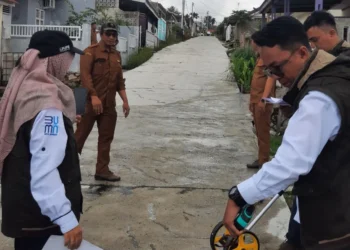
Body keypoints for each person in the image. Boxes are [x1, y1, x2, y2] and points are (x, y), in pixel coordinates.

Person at [223, 16, 350, 250]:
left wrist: (239, 196)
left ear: (303, 53)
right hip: (319, 202)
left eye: (277, 68)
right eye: (269, 70)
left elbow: (290, 163)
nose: (276, 77)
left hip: (333, 225)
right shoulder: (336, 75)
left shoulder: (320, 98)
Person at [0, 30, 85, 250]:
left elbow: (32, 133)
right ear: (55, 60)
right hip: (41, 220)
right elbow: (44, 170)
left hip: (23, 210)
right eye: (67, 60)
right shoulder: (47, 105)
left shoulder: (25, 87)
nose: (69, 67)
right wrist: (66, 218)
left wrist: (61, 125)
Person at [282, 11, 350, 249]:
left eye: (315, 41)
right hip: (316, 160)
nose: (311, 47)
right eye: (308, 42)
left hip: (336, 159)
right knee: (303, 201)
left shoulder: (341, 65)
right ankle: (294, 238)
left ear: (333, 33)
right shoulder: (317, 68)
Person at [75, 23, 130, 182]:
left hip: (108, 105)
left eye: (114, 34)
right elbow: (85, 77)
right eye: (108, 34)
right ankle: (64, 168)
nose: (111, 37)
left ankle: (102, 170)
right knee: (79, 137)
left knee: (106, 137)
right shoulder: (89, 52)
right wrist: (93, 96)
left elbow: (120, 82)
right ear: (101, 34)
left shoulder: (116, 56)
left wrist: (125, 101)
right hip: (88, 102)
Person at [247, 40, 276, 169]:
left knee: (263, 131)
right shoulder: (259, 57)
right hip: (256, 100)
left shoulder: (266, 58)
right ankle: (261, 158)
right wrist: (251, 101)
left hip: (262, 102)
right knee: (259, 131)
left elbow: (271, 78)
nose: (250, 43)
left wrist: (264, 100)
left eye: (252, 41)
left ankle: (263, 161)